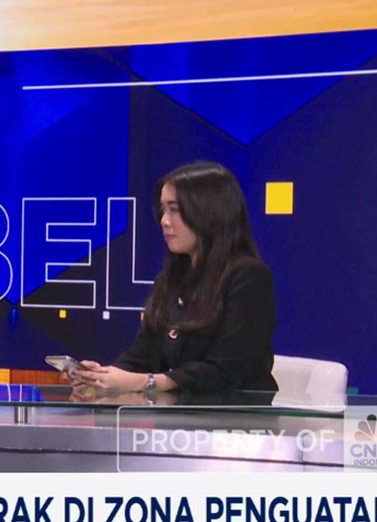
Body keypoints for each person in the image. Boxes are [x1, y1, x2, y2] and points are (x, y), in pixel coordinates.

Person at [73, 161, 277, 393]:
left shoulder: (248, 277)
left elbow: (226, 371)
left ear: (209, 213)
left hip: (230, 413)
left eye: (175, 209)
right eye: (163, 209)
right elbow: (141, 357)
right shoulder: (170, 279)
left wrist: (148, 382)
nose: (164, 221)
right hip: (173, 414)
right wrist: (101, 377)